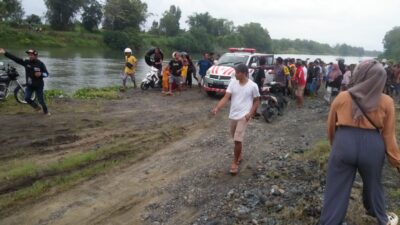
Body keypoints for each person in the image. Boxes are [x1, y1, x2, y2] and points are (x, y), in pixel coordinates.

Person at [320, 60, 400, 225]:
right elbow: (388, 135)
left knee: (335, 189)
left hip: (344, 142)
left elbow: (330, 126)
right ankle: (381, 217)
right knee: (374, 185)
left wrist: (336, 146)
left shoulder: (342, 97)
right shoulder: (386, 102)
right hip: (373, 145)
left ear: (359, 75)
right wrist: (396, 161)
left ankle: (330, 221)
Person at [212, 64, 260, 175]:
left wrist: (250, 113)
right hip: (233, 115)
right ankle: (239, 154)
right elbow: (226, 97)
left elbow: (257, 100)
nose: (235, 74)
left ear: (244, 73)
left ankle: (234, 163)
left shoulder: (253, 86)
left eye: (237, 72)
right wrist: (217, 108)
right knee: (235, 139)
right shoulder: (233, 82)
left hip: (244, 116)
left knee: (238, 140)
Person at [0, 48, 50, 115]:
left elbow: (47, 74)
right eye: (29, 55)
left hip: (39, 85)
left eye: (32, 55)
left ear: (36, 56)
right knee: (26, 98)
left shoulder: (40, 64)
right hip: (29, 85)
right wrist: (5, 53)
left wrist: (41, 74)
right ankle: (36, 107)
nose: (30, 56)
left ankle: (46, 111)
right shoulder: (26, 62)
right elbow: (16, 59)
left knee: (41, 100)